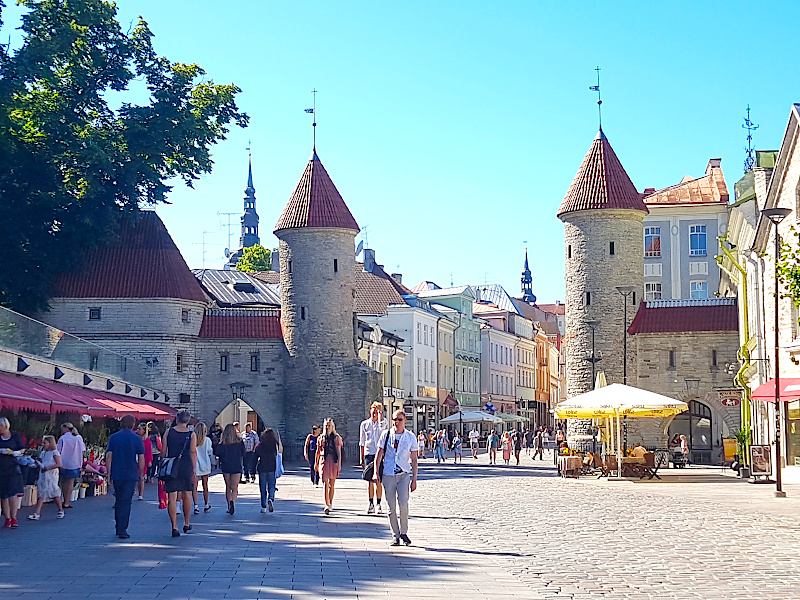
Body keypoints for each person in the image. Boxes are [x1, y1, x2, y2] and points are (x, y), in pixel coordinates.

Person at [373, 410, 418, 546]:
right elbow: (379, 454)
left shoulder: (410, 437)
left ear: (405, 421)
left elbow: (414, 459)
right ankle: (395, 534)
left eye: (399, 420)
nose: (396, 422)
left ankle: (404, 532)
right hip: (388, 474)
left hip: (404, 474)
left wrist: (414, 479)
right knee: (391, 507)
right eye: (394, 419)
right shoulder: (386, 435)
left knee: (403, 503)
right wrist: (376, 472)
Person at [106, 414, 146, 539]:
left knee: (118, 500)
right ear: (133, 424)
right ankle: (123, 528)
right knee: (126, 501)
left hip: (117, 473)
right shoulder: (137, 439)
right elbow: (141, 458)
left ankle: (118, 526)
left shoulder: (114, 437)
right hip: (131, 473)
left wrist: (108, 474)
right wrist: (141, 474)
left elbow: (108, 456)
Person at [162, 411, 197, 536]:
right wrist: (194, 469)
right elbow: (193, 452)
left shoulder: (168, 432)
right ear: (187, 421)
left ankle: (174, 526)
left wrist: (162, 464)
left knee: (172, 496)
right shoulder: (191, 434)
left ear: (177, 419)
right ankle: (186, 523)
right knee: (187, 494)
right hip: (185, 466)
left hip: (172, 465)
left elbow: (164, 450)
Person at [359, 401, 387, 515]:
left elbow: (382, 429)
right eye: (373, 410)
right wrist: (361, 457)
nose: (374, 413)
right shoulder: (364, 424)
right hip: (369, 453)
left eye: (377, 411)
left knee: (378, 479)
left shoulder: (383, 422)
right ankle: (370, 503)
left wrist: (380, 416)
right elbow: (362, 441)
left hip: (379, 453)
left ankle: (378, 504)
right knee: (370, 479)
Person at [27, 435, 64, 521]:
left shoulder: (54, 452)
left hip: (51, 474)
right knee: (42, 493)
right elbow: (42, 461)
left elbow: (59, 464)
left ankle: (60, 510)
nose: (43, 444)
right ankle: (37, 513)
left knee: (53, 492)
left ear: (50, 443)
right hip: (43, 474)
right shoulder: (43, 453)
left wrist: (48, 468)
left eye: (45, 443)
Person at [314, 418, 343, 514]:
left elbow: (339, 452)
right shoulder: (321, 438)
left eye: (329, 425)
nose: (327, 427)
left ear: (333, 427)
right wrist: (316, 463)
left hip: (333, 460)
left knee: (332, 484)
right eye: (326, 425)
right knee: (325, 483)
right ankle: (326, 504)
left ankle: (330, 503)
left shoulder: (336, 438)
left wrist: (339, 464)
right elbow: (318, 452)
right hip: (324, 460)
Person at [215, 423, 244, 515]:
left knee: (228, 486)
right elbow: (244, 453)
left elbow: (218, 453)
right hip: (236, 465)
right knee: (235, 487)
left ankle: (229, 504)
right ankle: (233, 502)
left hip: (226, 465)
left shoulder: (223, 443)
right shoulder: (239, 442)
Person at [0, 417, 24, 528]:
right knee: (3, 494)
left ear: (5, 426)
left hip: (12, 466)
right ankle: (7, 518)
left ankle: (14, 517)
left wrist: (16, 452)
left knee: (12, 492)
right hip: (1, 467)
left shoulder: (15, 435)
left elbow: (22, 448)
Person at [57, 422, 85, 510]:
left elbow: (58, 450)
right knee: (70, 482)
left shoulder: (63, 438)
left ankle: (63, 499)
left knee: (63, 481)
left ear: (65, 429)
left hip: (64, 462)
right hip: (75, 462)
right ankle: (67, 501)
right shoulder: (78, 438)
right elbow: (83, 450)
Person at [255, 428, 280, 513]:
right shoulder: (274, 445)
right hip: (272, 467)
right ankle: (271, 498)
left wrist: (252, 469)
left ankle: (263, 506)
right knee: (272, 485)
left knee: (263, 488)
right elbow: (278, 454)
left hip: (262, 467)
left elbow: (255, 457)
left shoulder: (260, 446)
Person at [193, 422, 213, 513]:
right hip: (205, 464)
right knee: (205, 485)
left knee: (195, 487)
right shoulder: (207, 440)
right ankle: (206, 503)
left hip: (196, 464)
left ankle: (196, 505)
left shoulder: (193, 439)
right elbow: (209, 451)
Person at [136, 422, 152, 500]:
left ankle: (140, 494)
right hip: (135, 458)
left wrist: (149, 461)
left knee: (141, 477)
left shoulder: (147, 440)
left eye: (139, 429)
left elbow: (149, 451)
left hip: (143, 460)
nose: (137, 430)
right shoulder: (135, 437)